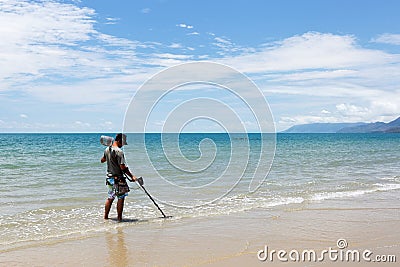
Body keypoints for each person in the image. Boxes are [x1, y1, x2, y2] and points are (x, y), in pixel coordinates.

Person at [100, 133, 141, 221]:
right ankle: (119, 219)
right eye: (122, 143)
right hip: (118, 179)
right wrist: (132, 176)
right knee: (121, 198)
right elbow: (123, 167)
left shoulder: (107, 149)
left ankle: (105, 217)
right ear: (119, 141)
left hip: (109, 178)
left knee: (110, 197)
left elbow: (102, 160)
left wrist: (109, 157)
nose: (123, 145)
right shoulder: (119, 152)